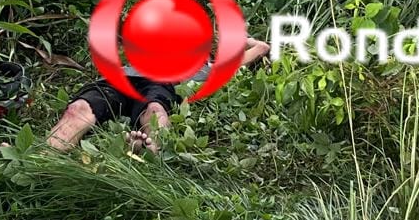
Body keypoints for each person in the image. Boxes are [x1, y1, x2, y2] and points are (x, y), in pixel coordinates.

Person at [43, 36, 270, 152]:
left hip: (161, 83)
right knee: (78, 109)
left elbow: (261, 47)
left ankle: (152, 151)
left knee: (155, 110)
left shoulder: (210, 67)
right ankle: (40, 160)